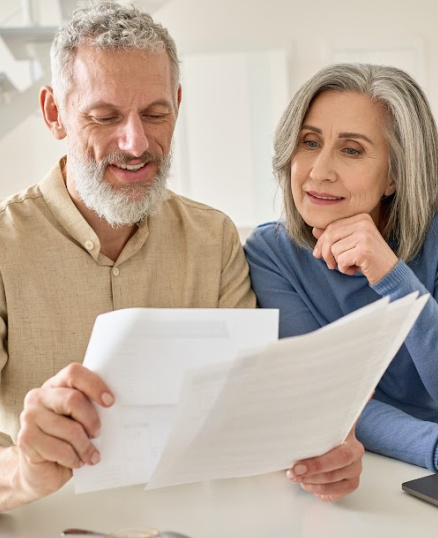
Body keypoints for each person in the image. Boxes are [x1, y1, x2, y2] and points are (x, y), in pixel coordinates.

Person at [0, 4, 362, 510]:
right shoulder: (4, 247)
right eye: (104, 117)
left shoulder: (212, 238)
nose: (136, 142)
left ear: (178, 103)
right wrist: (21, 473)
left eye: (155, 114)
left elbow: (250, 410)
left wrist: (318, 444)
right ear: (54, 113)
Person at [245, 63, 438, 485]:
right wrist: (433, 448)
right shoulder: (271, 254)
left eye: (351, 150)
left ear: (395, 175)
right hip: (382, 466)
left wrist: (393, 276)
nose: (319, 171)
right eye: (309, 142)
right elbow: (325, 397)